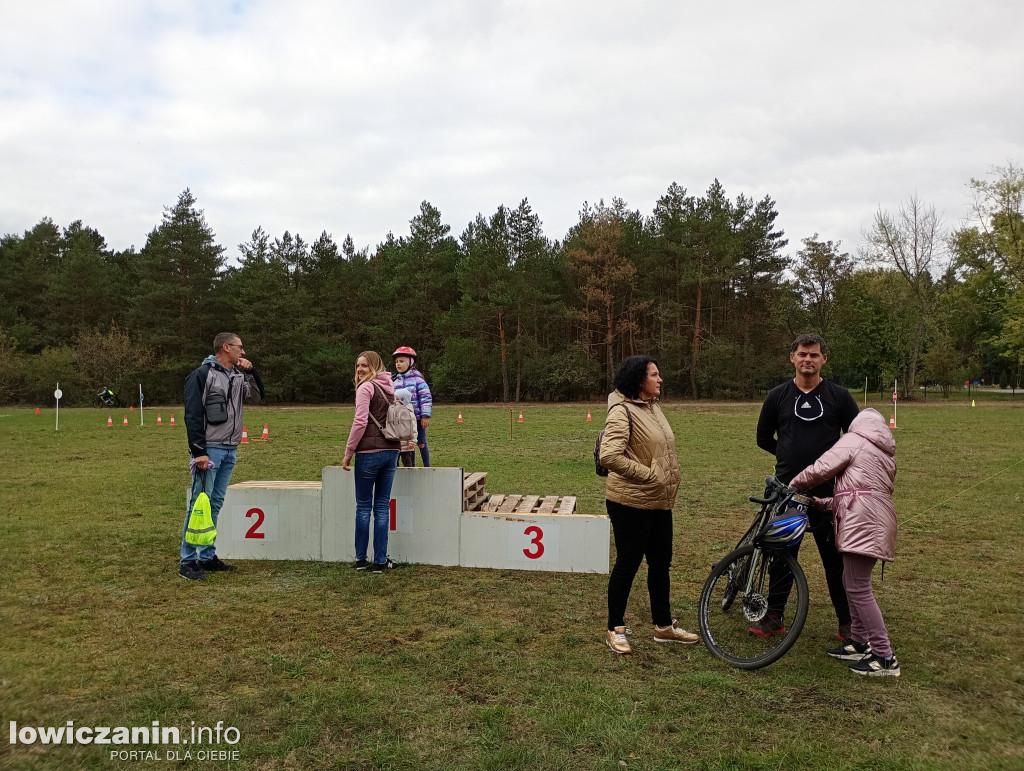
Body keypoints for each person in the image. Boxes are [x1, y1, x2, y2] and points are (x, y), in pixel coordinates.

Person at [755, 333, 860, 639]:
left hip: (828, 492)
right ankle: (774, 617)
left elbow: (857, 439)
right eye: (802, 354)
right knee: (782, 554)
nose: (807, 360)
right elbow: (763, 438)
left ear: (824, 359)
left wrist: (830, 466)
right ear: (792, 358)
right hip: (788, 490)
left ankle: (847, 622)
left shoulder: (839, 396)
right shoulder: (777, 396)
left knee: (835, 559)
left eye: (814, 355)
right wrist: (788, 456)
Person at [789, 408, 900, 676]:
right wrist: (822, 503)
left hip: (863, 520)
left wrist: (793, 485)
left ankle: (884, 657)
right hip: (872, 517)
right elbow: (860, 490)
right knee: (852, 584)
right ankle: (859, 642)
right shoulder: (882, 453)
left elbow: (823, 467)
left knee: (859, 588)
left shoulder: (856, 439)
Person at [599, 355, 697, 654]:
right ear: (640, 380)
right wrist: (650, 476)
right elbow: (609, 456)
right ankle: (615, 628)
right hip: (629, 502)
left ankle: (663, 626)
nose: (660, 379)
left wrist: (660, 482)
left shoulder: (652, 408)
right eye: (655, 375)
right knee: (628, 564)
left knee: (660, 564)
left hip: (659, 501)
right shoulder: (621, 411)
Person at [179, 333, 265, 581]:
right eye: (240, 347)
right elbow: (193, 415)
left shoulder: (238, 375)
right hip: (210, 449)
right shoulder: (202, 375)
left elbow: (258, 397)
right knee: (198, 504)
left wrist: (251, 372)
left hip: (230, 448)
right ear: (226, 348)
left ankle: (207, 556)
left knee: (214, 504)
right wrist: (199, 452)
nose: (243, 351)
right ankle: (187, 560)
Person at [344, 351, 401, 572]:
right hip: (391, 451)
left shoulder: (366, 387)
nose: (359, 370)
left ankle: (360, 559)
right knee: (382, 507)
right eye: (358, 366)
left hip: (368, 453)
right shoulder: (390, 388)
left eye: (365, 366)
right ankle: (379, 561)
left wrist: (349, 451)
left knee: (364, 507)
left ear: (374, 367)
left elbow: (360, 422)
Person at [391, 346, 432, 467]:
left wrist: (425, 415)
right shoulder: (395, 381)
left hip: (417, 418)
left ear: (410, 362)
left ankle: (427, 467)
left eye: (401, 361)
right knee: (408, 445)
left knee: (421, 442)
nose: (398, 364)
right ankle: (411, 467)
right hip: (403, 420)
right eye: (397, 361)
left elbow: (426, 398)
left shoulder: (418, 380)